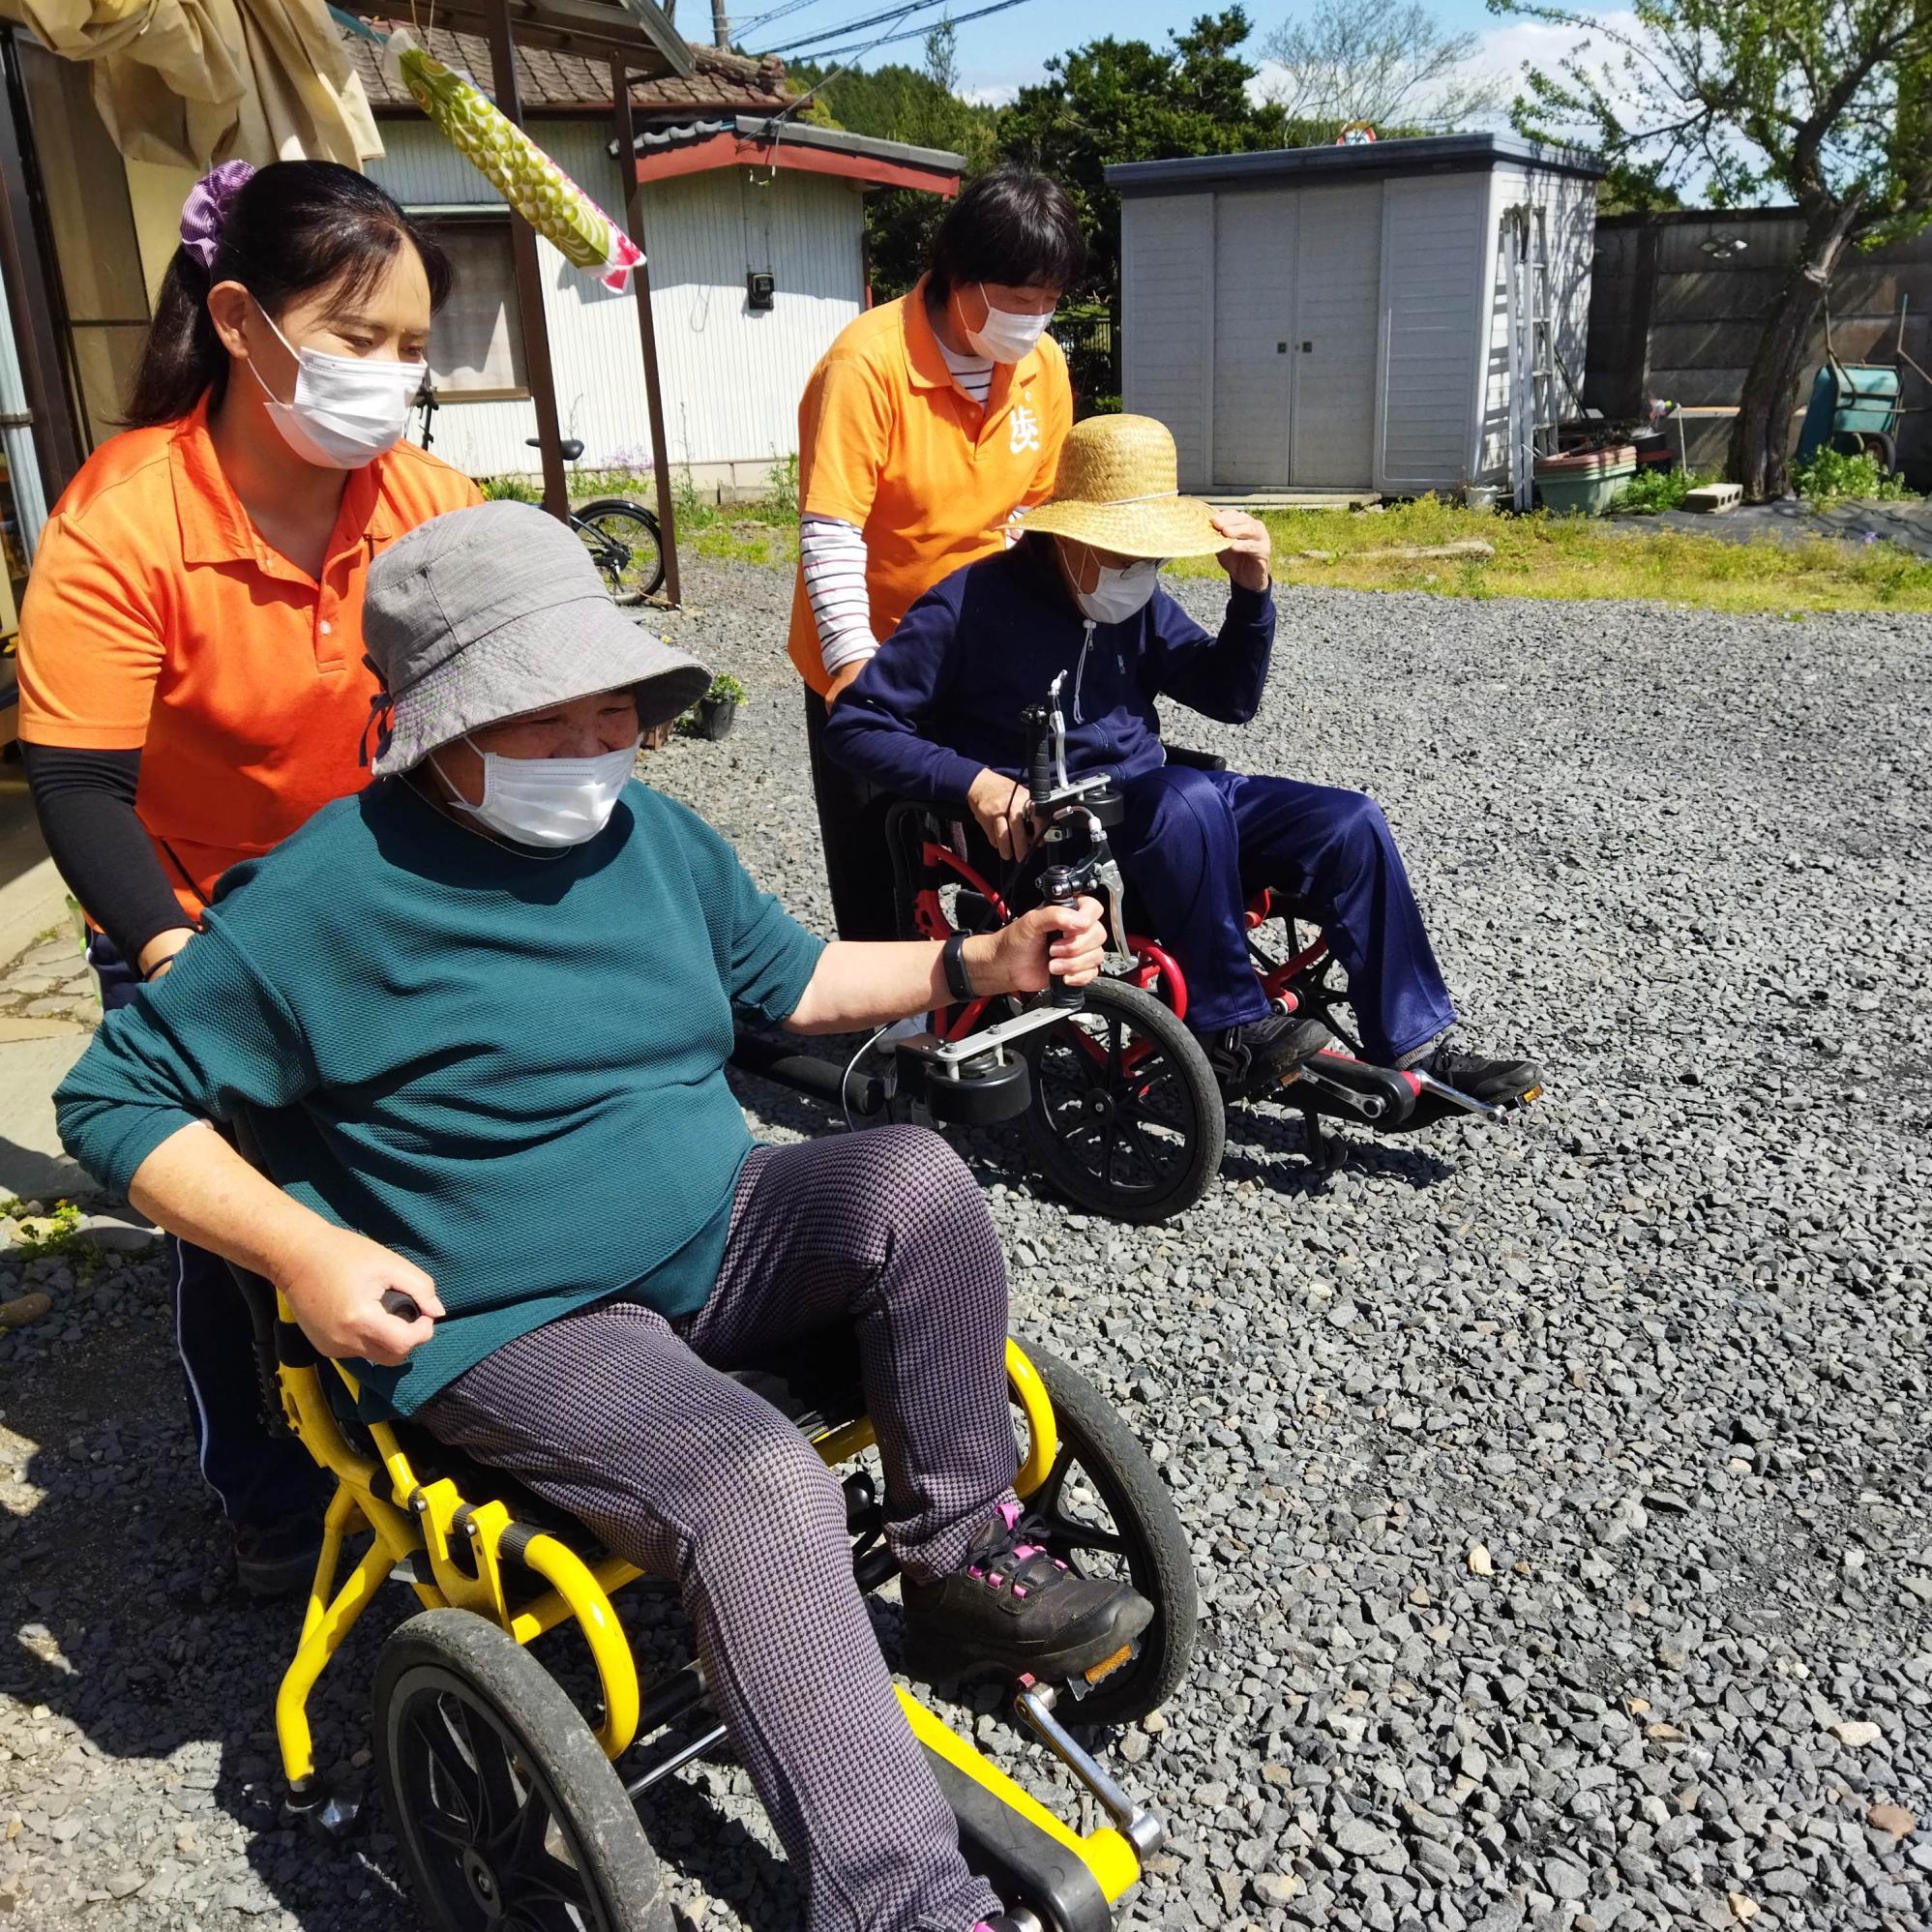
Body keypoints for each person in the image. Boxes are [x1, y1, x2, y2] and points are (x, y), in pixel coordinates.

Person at [53, 500, 1148, 1932]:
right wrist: (303, 1248)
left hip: (716, 1224)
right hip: (519, 1312)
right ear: (430, 724)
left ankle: (955, 1563)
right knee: (756, 1480)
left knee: (914, 1180)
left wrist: (979, 957)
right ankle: (899, 1908)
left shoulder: (654, 838)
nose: (591, 749)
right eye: (542, 718)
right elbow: (112, 1098)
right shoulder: (328, 894)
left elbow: (793, 981)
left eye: (612, 708)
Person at [15, 159, 482, 1592]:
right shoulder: (126, 515)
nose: (392, 380)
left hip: (389, 893)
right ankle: (267, 1490)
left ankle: (460, 1407)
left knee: (435, 1148)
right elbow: (80, 782)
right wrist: (166, 955)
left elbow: (510, 694)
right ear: (238, 318)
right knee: (244, 1216)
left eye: (414, 349)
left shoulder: (425, 497)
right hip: (196, 911)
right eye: (359, 341)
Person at [823, 413, 1542, 1112]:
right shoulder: (965, 605)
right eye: (1126, 555)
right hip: (1056, 831)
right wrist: (974, 781)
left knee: (1346, 820)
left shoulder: (1130, 601)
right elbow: (855, 725)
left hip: (1160, 805)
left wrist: (1251, 593)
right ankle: (1228, 1027)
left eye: (1153, 558)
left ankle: (1415, 1044)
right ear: (1068, 535)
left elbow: (1227, 697)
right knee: (1187, 796)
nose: (1141, 572)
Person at [789, 163, 1085, 939]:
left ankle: (995, 996)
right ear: (961, 279)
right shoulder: (868, 364)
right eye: (1020, 302)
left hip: (976, 652)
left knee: (1006, 832)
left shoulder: (1040, 364)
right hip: (877, 648)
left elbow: (1037, 504)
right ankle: (888, 1032)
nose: (1035, 321)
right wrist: (858, 681)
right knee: (878, 854)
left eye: (1050, 302)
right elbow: (831, 533)